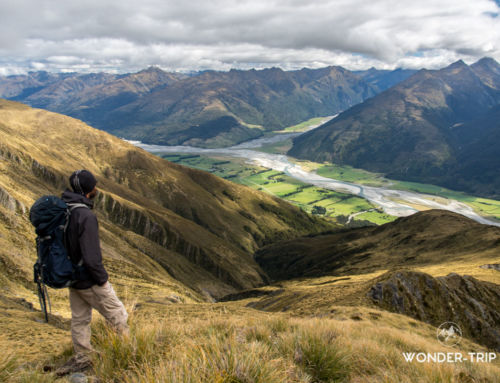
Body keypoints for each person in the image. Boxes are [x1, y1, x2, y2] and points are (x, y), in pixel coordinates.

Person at [56, 170, 129, 376]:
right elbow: (91, 256)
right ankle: (126, 354)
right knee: (118, 315)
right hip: (89, 279)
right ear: (89, 190)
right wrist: (102, 280)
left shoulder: (64, 210)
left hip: (71, 277)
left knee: (80, 319)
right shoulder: (85, 216)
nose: (96, 188)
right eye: (94, 185)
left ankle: (83, 358)